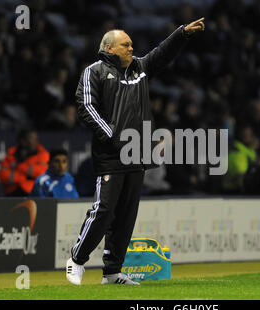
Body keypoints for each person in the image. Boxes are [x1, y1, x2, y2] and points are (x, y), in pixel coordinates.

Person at [66, 18, 206, 286]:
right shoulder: (93, 71)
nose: (132, 48)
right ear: (109, 48)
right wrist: (112, 136)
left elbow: (161, 53)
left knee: (127, 215)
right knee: (104, 210)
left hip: (138, 154)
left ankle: (112, 271)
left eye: (131, 44)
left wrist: (182, 34)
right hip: (111, 155)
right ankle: (77, 260)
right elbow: (85, 106)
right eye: (126, 45)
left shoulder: (139, 68)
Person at [0, 129, 49, 196]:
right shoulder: (12, 153)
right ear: (23, 141)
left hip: (33, 192)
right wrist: (23, 178)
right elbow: (2, 175)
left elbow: (42, 173)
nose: (35, 141)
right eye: (31, 138)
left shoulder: (42, 154)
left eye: (36, 139)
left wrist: (19, 166)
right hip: (13, 193)